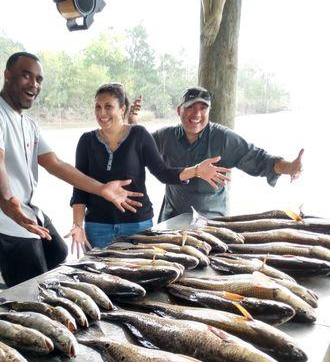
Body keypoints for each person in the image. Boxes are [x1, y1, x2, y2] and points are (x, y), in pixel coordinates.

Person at [0, 52, 144, 287]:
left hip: (24, 211)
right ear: (7, 75)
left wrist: (102, 189)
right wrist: (8, 203)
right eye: (26, 76)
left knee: (57, 253)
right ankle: (31, 312)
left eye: (38, 79)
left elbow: (55, 164)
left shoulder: (28, 124)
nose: (34, 84)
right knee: (32, 282)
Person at [67, 83, 228, 255]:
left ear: (122, 109)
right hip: (97, 227)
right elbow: (80, 188)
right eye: (97, 107)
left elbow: (163, 172)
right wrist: (77, 225)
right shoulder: (86, 141)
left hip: (137, 225)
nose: (102, 113)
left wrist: (195, 170)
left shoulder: (139, 135)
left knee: (142, 279)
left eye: (108, 106)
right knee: (99, 278)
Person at [129, 86, 304, 222]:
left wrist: (289, 167)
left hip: (212, 222)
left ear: (209, 111)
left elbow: (259, 159)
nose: (197, 114)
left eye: (203, 108)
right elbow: (138, 151)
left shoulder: (225, 139)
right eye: (190, 107)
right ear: (179, 110)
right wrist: (134, 126)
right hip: (171, 219)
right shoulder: (165, 137)